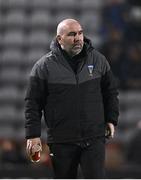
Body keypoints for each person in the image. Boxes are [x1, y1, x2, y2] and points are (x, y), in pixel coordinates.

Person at [25, 18, 119, 179]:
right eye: (72, 34)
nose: (78, 38)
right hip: (62, 140)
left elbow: (110, 92)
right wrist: (33, 135)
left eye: (80, 33)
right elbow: (33, 103)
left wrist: (111, 119)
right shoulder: (43, 67)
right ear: (59, 39)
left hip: (94, 137)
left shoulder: (98, 60)